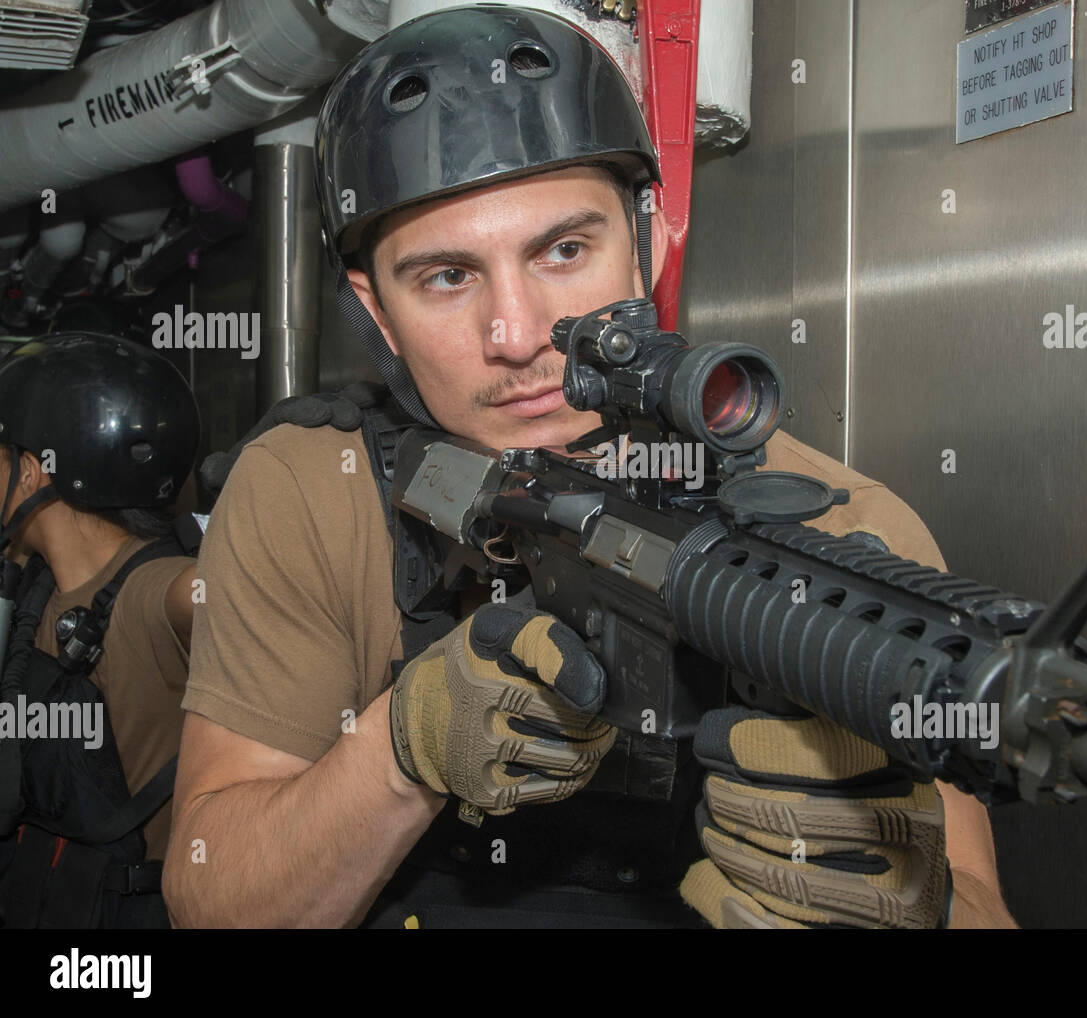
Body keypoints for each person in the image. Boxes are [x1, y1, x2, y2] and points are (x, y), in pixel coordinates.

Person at [166, 6, 1016, 929]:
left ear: (645, 237)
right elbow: (215, 897)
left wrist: (906, 908)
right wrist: (404, 751)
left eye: (564, 251)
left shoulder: (837, 532)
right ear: (375, 312)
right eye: (448, 277)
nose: (520, 335)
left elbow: (981, 900)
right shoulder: (311, 490)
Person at [0, 331, 200, 927]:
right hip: (46, 900)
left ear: (33, 473)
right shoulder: (36, 584)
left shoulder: (157, 589)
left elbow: (217, 596)